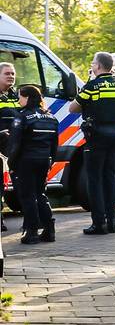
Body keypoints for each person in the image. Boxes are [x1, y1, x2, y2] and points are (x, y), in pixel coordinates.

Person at [68, 52, 115, 234]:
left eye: (93, 63)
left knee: (94, 179)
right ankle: (113, 221)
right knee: (110, 177)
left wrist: (87, 85)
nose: (92, 66)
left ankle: (99, 223)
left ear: (99, 66)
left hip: (97, 136)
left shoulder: (92, 86)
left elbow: (73, 108)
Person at [7, 85, 57, 243]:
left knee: (27, 196)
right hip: (43, 160)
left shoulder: (21, 117)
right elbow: (55, 145)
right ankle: (49, 230)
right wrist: (50, 161)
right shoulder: (51, 117)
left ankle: (32, 232)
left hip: (26, 161)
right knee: (40, 194)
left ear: (27, 97)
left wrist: (11, 163)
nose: (18, 100)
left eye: (20, 96)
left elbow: (15, 145)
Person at [0, 63, 18, 232]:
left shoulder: (15, 95)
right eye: (7, 73)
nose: (11, 76)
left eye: (13, 73)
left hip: (13, 149)